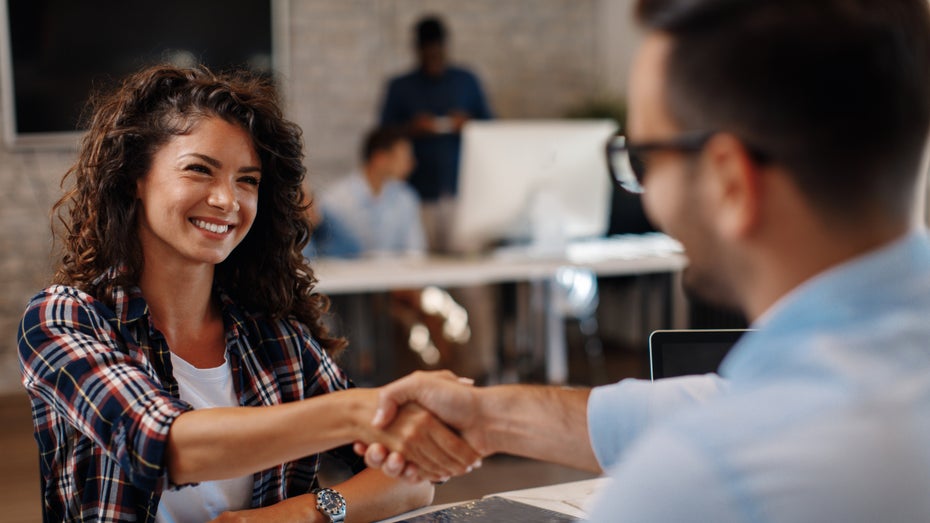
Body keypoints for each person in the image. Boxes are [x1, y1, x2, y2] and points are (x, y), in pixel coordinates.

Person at [360, 0, 930, 520]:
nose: (646, 193)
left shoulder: (702, 481)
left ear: (730, 182)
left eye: (644, 157)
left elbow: (719, 429)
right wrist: (485, 416)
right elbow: (709, 401)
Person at [16, 65, 479, 523]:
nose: (228, 200)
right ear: (135, 178)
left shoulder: (275, 338)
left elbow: (413, 479)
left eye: (247, 180)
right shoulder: (64, 319)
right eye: (200, 170)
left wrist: (301, 513)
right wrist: (359, 412)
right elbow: (162, 445)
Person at [378, 15, 493, 252]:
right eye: (427, 52)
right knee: (421, 265)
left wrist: (468, 123)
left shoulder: (466, 80)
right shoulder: (400, 87)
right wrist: (412, 128)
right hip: (417, 194)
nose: (433, 57)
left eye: (437, 52)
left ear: (445, 48)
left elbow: (492, 127)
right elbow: (382, 135)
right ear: (417, 50)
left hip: (461, 191)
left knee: (468, 273)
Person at [316, 126, 426, 258]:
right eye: (404, 157)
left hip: (396, 276)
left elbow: (415, 252)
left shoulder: (406, 197)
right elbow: (327, 253)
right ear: (380, 158)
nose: (411, 164)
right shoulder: (335, 200)